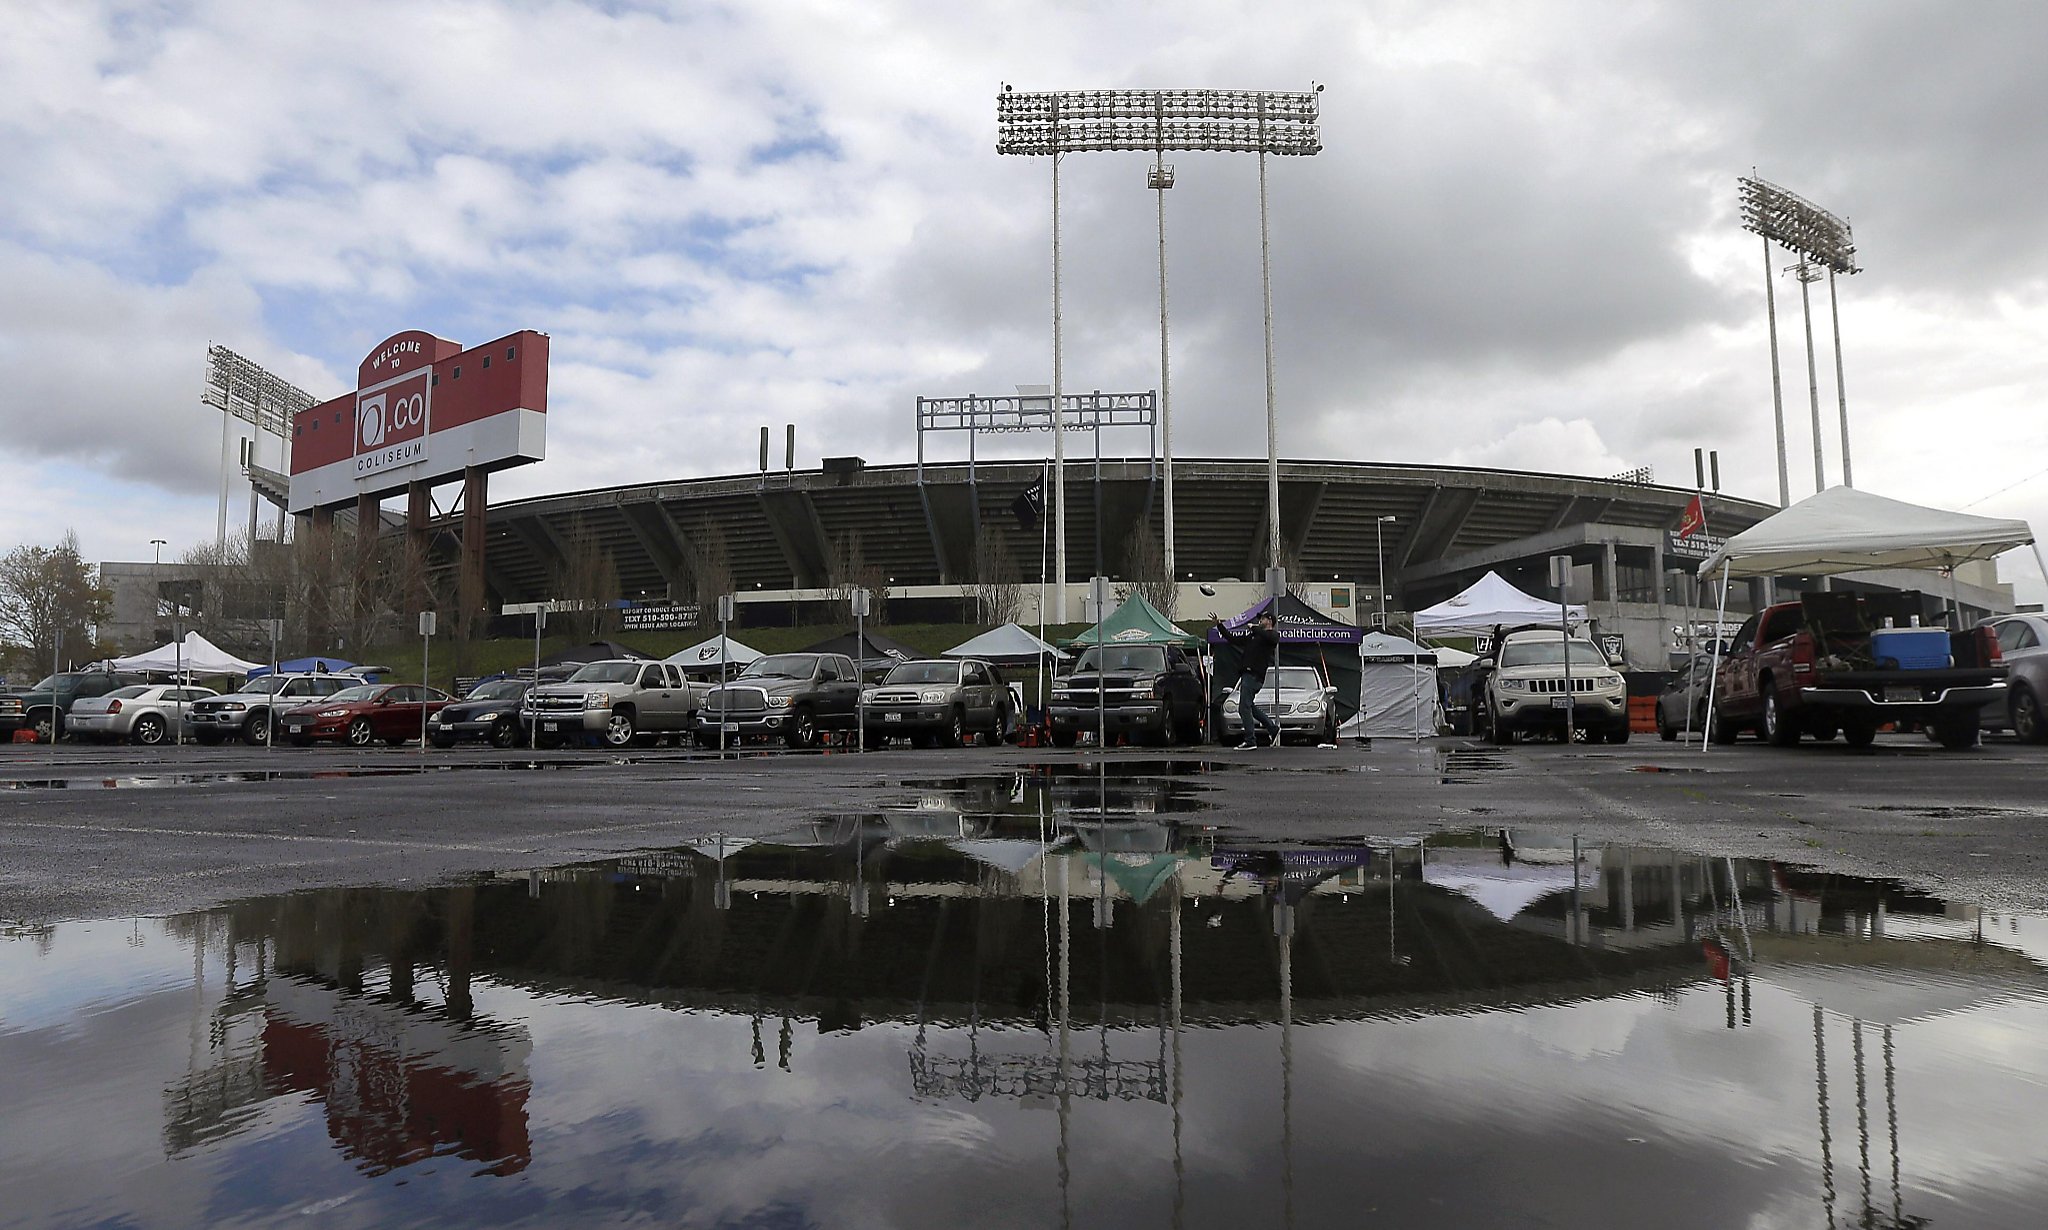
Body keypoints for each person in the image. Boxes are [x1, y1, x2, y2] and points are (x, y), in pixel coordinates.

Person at [1213, 609, 1282, 749]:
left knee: (1243, 708)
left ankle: (1250, 740)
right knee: (1249, 706)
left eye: (1262, 619)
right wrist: (1220, 625)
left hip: (1254, 675)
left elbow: (1271, 638)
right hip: (1246, 674)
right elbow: (1233, 639)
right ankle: (1273, 728)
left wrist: (1255, 628)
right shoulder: (1253, 637)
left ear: (1269, 621)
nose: (1259, 621)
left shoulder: (1271, 635)